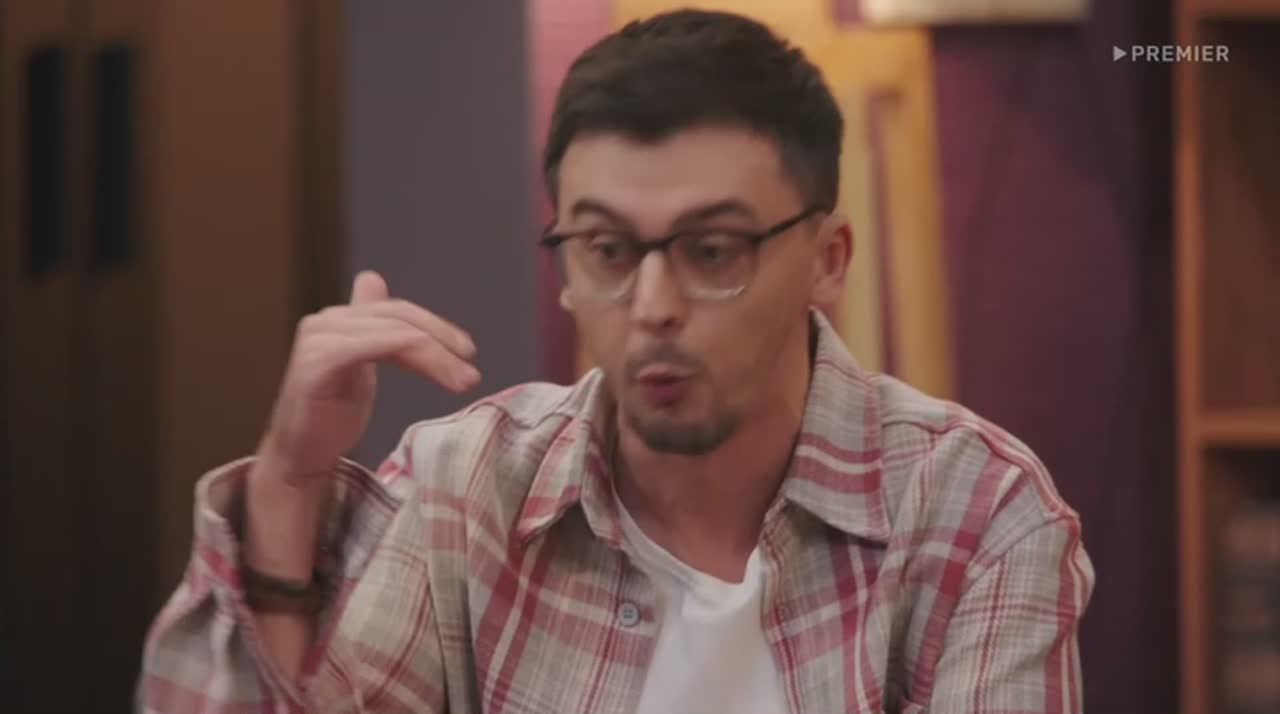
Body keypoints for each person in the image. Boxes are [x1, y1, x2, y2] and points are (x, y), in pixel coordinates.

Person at [139, 9, 1093, 714]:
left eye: (712, 250)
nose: (652, 307)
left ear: (828, 259)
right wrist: (288, 485)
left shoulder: (976, 514)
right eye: (606, 249)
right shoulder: (466, 489)